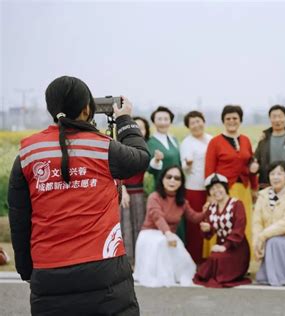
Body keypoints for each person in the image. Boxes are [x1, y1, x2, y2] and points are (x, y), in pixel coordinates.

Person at [8, 76, 149, 315]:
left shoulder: (28, 153)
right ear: (87, 108)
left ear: (52, 110)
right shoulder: (103, 147)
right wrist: (124, 120)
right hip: (104, 268)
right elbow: (140, 157)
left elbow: (19, 219)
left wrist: (26, 269)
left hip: (49, 271)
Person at [133, 166, 207, 287]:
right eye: (169, 177)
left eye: (177, 178)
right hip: (150, 235)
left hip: (169, 237)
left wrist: (205, 212)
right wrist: (168, 234)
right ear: (162, 179)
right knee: (162, 242)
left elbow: (194, 217)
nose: (172, 180)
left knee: (185, 267)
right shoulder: (154, 197)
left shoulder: (182, 201)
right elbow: (158, 217)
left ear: (181, 182)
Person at [205, 105, 258, 253]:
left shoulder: (246, 140)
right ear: (223, 121)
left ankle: (242, 258)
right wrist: (210, 195)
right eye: (228, 118)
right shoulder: (215, 142)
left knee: (243, 223)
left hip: (244, 190)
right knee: (225, 222)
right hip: (224, 192)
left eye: (235, 118)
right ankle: (223, 258)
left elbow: (251, 165)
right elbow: (209, 170)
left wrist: (254, 188)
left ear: (240, 120)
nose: (231, 121)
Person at [193, 173, 251, 288]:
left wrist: (225, 246)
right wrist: (206, 229)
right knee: (212, 261)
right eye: (212, 189)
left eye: (219, 187)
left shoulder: (236, 204)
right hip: (220, 246)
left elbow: (238, 229)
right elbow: (208, 235)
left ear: (225, 188)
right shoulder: (211, 208)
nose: (216, 191)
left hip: (237, 247)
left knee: (217, 260)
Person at [147, 106, 186, 242]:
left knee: (178, 220)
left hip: (177, 187)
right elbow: (150, 169)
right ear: (154, 122)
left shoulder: (174, 140)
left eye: (166, 119)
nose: (163, 122)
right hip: (162, 188)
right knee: (162, 220)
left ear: (170, 121)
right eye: (159, 119)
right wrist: (156, 160)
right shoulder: (150, 143)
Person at [180, 111, 213, 263]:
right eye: (192, 123)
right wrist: (188, 164)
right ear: (188, 126)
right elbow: (184, 168)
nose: (196, 125)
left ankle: (210, 257)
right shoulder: (187, 142)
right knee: (195, 225)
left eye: (198, 121)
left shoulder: (211, 139)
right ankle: (195, 259)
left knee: (211, 222)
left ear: (203, 121)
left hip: (212, 188)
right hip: (194, 188)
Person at [120, 116, 150, 266]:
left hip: (141, 193)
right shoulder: (120, 147)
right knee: (126, 227)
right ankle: (128, 262)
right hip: (125, 192)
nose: (138, 131)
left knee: (141, 226)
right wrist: (122, 189)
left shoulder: (148, 148)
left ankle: (141, 263)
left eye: (142, 128)